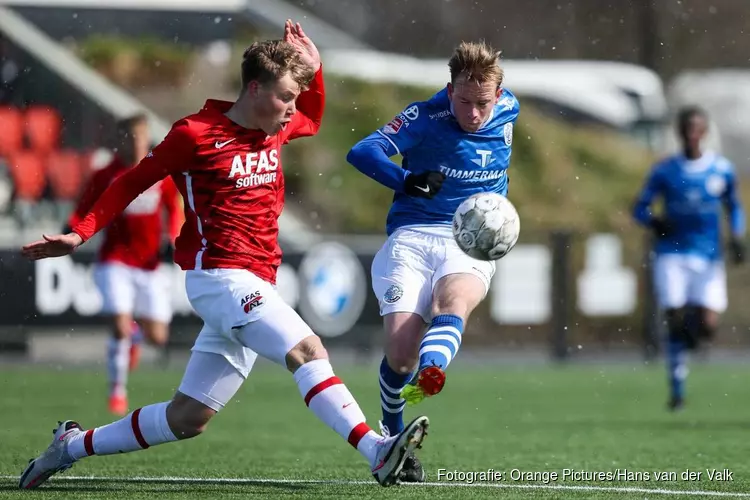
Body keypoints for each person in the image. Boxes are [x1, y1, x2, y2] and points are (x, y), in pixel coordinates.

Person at [18, 21, 428, 490]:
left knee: (186, 418)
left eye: (293, 98)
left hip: (256, 282)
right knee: (308, 349)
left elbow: (311, 117)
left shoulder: (276, 124)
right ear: (254, 89)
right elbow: (133, 181)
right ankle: (376, 451)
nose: (291, 108)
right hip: (219, 279)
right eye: (284, 97)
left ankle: (68, 446)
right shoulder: (194, 134)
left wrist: (315, 71)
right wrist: (80, 232)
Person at [346, 40, 518, 481]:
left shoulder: (509, 108)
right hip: (413, 236)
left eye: (483, 103)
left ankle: (432, 371)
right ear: (449, 89)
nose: (474, 114)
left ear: (498, 96)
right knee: (399, 355)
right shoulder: (424, 117)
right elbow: (362, 152)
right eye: (464, 102)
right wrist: (407, 180)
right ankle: (393, 433)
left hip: (470, 239)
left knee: (452, 301)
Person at [66, 113, 182, 416]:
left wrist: (173, 237)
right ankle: (117, 391)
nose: (136, 143)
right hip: (114, 261)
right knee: (119, 326)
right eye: (130, 137)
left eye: (141, 137)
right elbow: (84, 209)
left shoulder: (159, 175)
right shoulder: (106, 175)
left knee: (158, 337)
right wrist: (70, 231)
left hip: (149, 264)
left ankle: (136, 337)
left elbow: (174, 207)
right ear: (119, 140)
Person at [632, 106, 745, 411]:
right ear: (680, 132)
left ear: (705, 132)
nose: (692, 135)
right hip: (672, 255)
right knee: (675, 318)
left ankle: (692, 337)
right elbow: (639, 208)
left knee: (707, 326)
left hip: (708, 256)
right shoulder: (665, 171)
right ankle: (677, 389)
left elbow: (734, 206)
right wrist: (655, 222)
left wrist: (736, 236)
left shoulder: (720, 169)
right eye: (687, 129)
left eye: (697, 129)